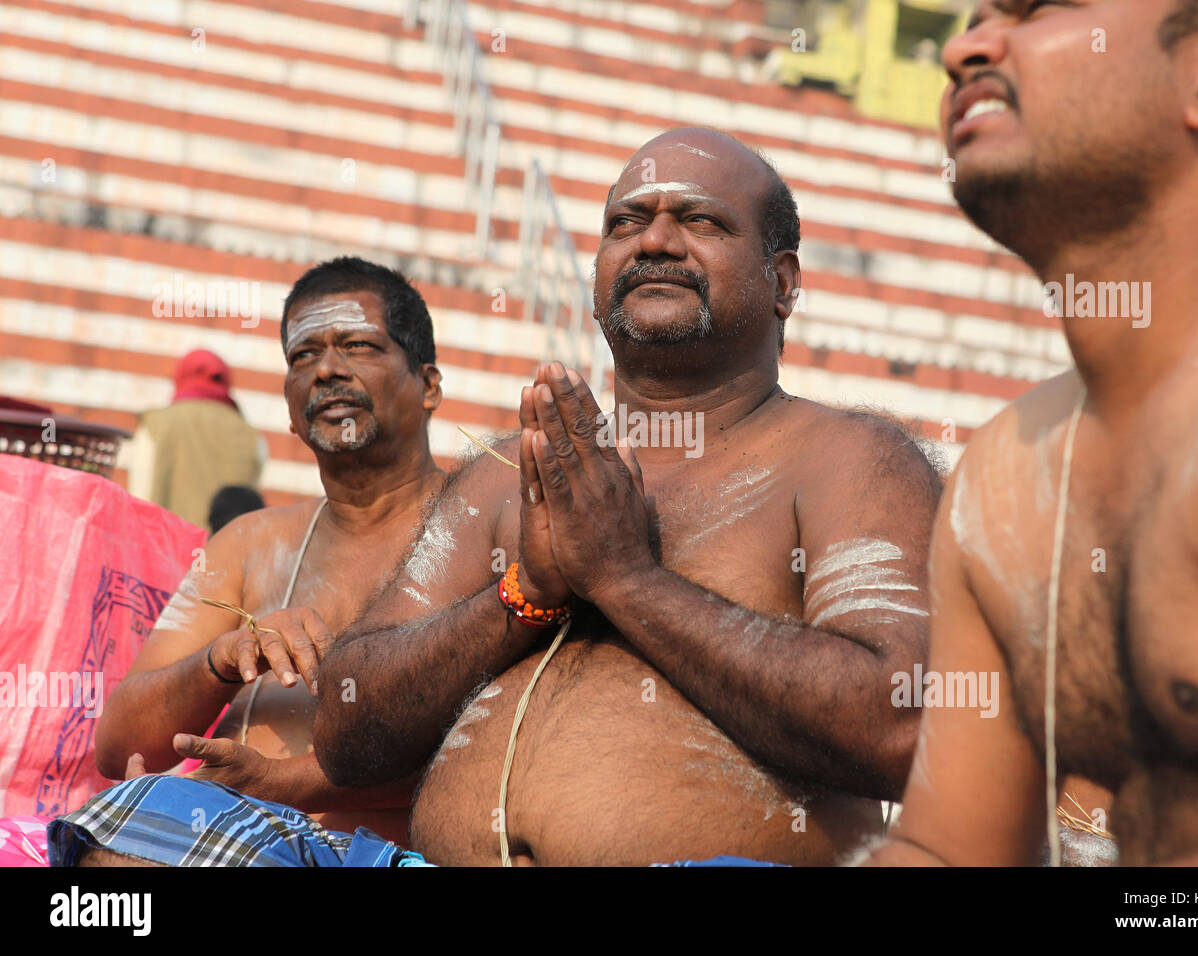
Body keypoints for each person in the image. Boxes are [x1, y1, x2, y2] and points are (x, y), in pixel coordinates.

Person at [49, 128, 943, 867]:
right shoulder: (506, 473)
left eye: (699, 220)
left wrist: (629, 581)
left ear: (784, 283)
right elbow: (351, 718)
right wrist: (526, 597)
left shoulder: (851, 457)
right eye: (626, 222)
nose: (656, 240)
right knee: (137, 833)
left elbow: (900, 726)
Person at [864, 0, 1198, 866]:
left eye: (1037, 8)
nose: (963, 48)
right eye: (973, 16)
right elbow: (946, 852)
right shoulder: (1004, 475)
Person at [86, 256, 446, 850]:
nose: (327, 368)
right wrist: (222, 660)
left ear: (429, 385)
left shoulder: (485, 523)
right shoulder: (250, 543)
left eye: (356, 346)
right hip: (216, 843)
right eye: (303, 356)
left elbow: (500, 741)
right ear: (288, 410)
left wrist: (290, 784)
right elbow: (121, 744)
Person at [129, 349, 264, 531]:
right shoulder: (251, 435)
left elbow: (140, 498)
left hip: (165, 551)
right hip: (227, 554)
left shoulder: (156, 424)